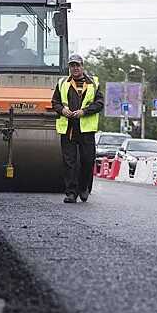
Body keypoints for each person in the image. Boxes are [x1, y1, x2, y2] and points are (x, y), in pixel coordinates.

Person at [51, 54, 104, 203]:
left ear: (82, 66)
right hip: (68, 128)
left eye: (77, 65)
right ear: (69, 67)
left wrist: (84, 111)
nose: (75, 68)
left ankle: (84, 188)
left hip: (86, 129)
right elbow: (55, 102)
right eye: (72, 65)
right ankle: (71, 193)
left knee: (87, 160)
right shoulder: (62, 83)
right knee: (69, 162)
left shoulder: (94, 83)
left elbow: (99, 103)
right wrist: (62, 110)